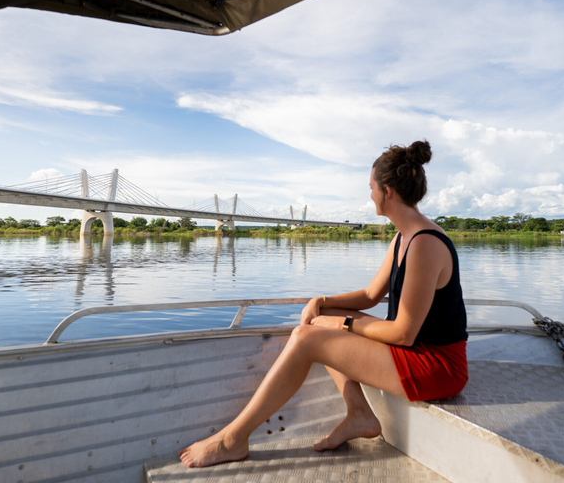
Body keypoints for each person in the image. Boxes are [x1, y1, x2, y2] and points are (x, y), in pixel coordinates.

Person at [179, 140, 468, 468]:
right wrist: (323, 302)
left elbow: (403, 333)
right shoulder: (403, 236)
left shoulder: (424, 243)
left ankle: (232, 440)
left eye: (371, 187)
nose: (369, 194)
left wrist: (340, 324)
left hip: (437, 366)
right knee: (322, 316)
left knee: (308, 337)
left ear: (387, 191)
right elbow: (371, 295)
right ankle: (358, 413)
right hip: (416, 353)